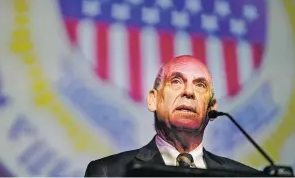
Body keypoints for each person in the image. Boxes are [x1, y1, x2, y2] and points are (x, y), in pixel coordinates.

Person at [84, 55, 258, 177]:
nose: (189, 92)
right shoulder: (109, 172)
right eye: (176, 81)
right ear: (153, 100)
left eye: (200, 85)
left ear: (211, 108)